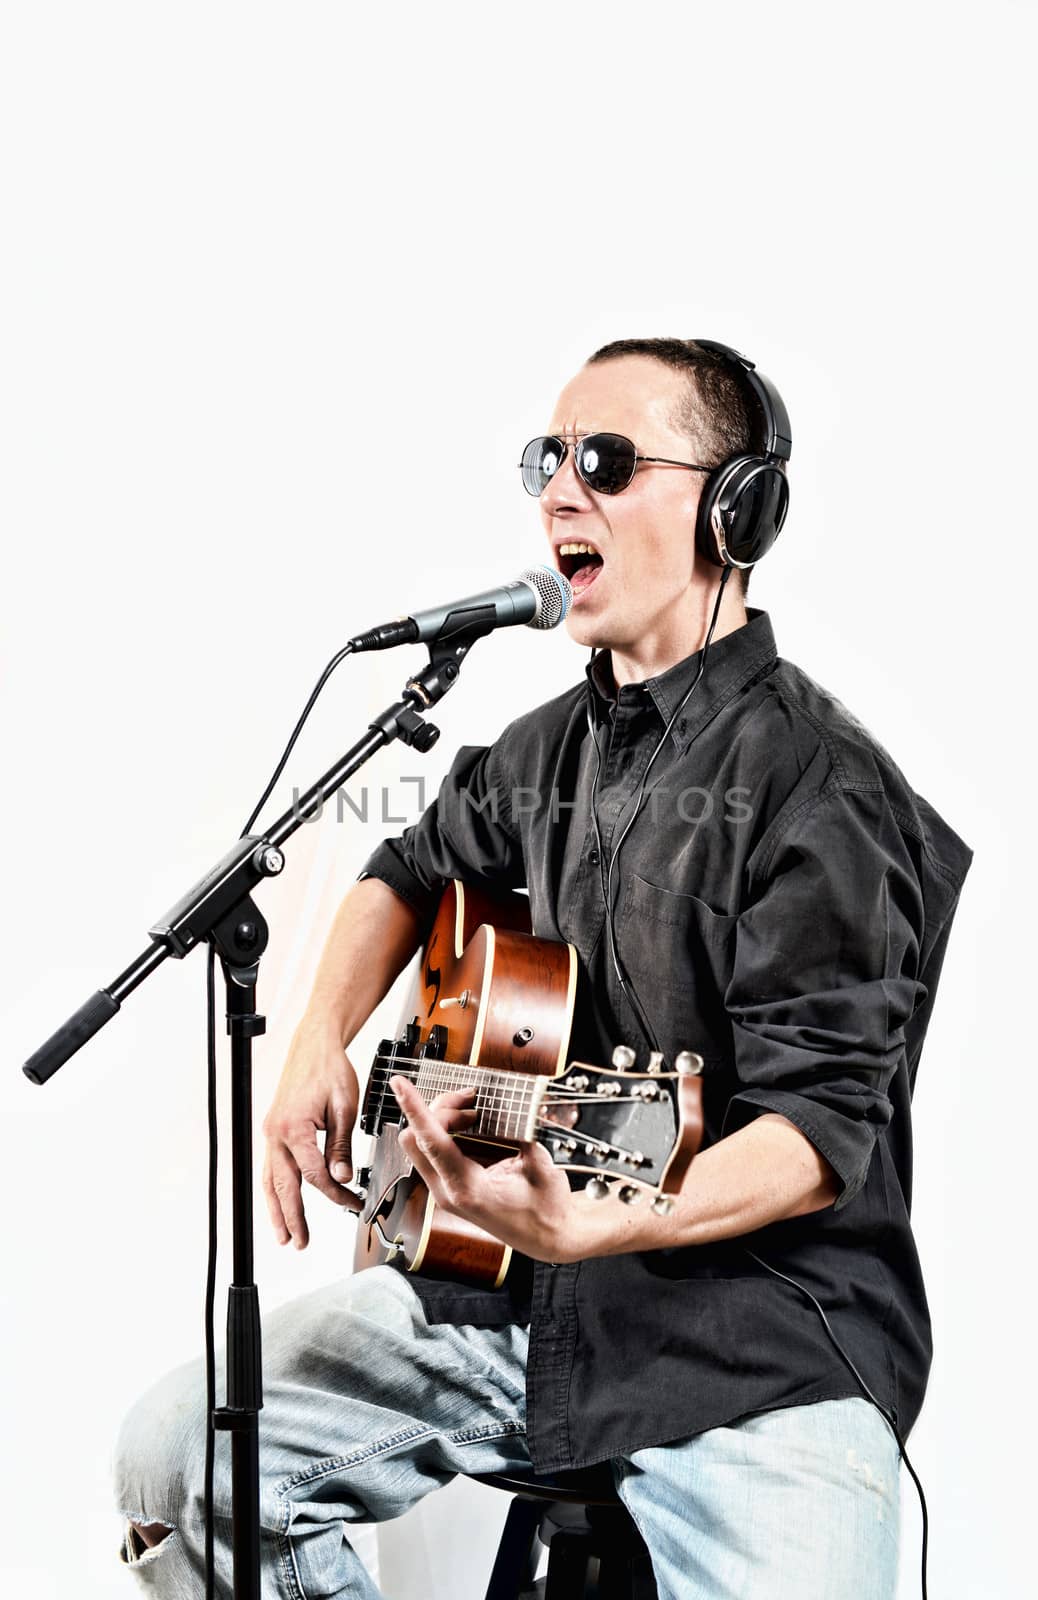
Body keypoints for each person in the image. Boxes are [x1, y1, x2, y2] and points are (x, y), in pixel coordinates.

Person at [115, 338, 973, 1598]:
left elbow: (812, 1130)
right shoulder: (548, 747)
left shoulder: (820, 788)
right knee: (182, 1456)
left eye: (608, 463)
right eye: (549, 462)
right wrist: (315, 1043)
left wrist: (607, 1217)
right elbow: (404, 871)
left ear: (734, 510)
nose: (561, 494)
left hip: (762, 1349)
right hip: (522, 1307)